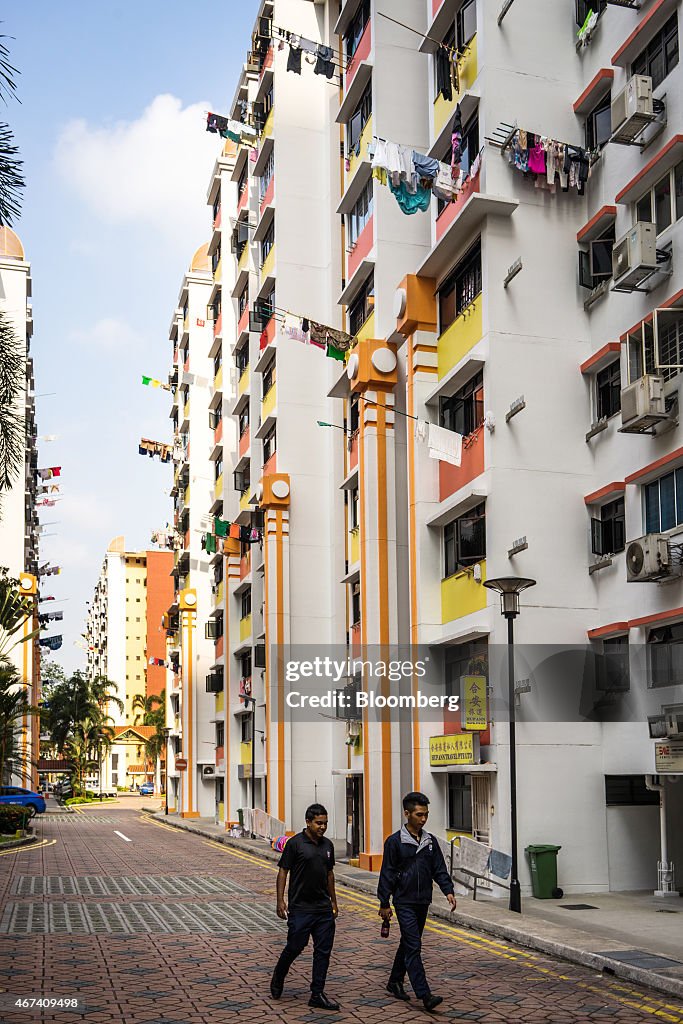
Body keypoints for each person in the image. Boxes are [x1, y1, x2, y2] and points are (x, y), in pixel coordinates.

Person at [377, 791, 456, 1011]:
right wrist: (384, 902)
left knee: (408, 942)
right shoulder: (394, 842)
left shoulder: (430, 842)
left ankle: (394, 981)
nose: (423, 819)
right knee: (414, 945)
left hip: (423, 901)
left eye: (426, 815)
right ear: (407, 813)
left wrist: (448, 889)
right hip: (403, 901)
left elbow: (439, 868)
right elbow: (387, 873)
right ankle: (424, 995)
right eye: (419, 814)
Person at [270, 803, 340, 1011]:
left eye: (325, 823)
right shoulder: (295, 844)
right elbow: (283, 871)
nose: (322, 827)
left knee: (323, 951)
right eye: (319, 823)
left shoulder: (328, 845)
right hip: (300, 908)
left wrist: (334, 901)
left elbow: (329, 874)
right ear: (308, 822)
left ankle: (317, 993)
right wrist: (280, 900)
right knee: (295, 946)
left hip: (323, 909)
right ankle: (279, 975)